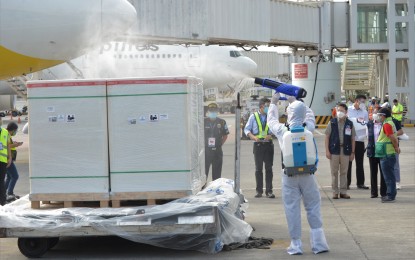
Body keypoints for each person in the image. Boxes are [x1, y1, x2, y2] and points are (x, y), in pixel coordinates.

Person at [267, 93, 329, 255]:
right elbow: (309, 114)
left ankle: (296, 245)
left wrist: (273, 104)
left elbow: (271, 121)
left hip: (289, 175)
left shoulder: (282, 130)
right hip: (308, 174)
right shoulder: (308, 127)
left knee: (292, 209)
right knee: (313, 207)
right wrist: (296, 101)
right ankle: (319, 244)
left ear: (288, 114)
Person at [244, 97, 275, 198]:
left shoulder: (271, 116)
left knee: (269, 169)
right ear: (262, 106)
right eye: (267, 106)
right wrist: (253, 137)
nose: (269, 108)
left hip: (268, 145)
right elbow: (247, 129)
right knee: (258, 169)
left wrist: (271, 135)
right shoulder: (253, 116)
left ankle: (269, 191)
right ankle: (259, 191)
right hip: (258, 145)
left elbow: (276, 129)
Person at [325, 103, 355, 199]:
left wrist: (352, 152)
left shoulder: (349, 124)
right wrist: (327, 151)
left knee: (344, 172)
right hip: (334, 150)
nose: (339, 112)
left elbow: (353, 139)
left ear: (346, 112)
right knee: (334, 172)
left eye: (342, 110)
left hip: (345, 150)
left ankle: (343, 191)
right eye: (338, 110)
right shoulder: (332, 122)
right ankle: (335, 192)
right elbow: (327, 137)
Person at [375, 107, 400, 203]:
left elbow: (392, 137)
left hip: (387, 154)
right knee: (390, 175)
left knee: (389, 176)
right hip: (387, 153)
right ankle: (390, 194)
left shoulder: (386, 124)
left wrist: (396, 147)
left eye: (380, 115)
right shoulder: (390, 123)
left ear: (384, 116)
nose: (379, 117)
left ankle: (390, 195)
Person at [347, 94, 369, 189]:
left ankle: (360, 183)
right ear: (356, 101)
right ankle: (346, 183)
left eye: (364, 102)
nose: (362, 103)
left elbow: (367, 125)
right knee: (348, 162)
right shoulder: (348, 109)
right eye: (361, 101)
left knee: (360, 162)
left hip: (360, 140)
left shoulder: (364, 112)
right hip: (349, 139)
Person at [204, 103, 229, 181]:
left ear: (217, 111)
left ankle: (215, 190)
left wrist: (220, 144)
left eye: (214, 110)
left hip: (217, 150)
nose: (213, 112)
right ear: (208, 111)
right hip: (206, 150)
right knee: (204, 174)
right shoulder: (203, 122)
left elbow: (225, 135)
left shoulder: (222, 122)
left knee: (217, 174)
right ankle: (202, 189)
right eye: (211, 111)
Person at [366, 108, 387, 198]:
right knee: (373, 173)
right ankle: (374, 192)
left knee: (383, 173)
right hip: (372, 151)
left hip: (382, 151)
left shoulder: (385, 124)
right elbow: (368, 137)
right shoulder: (369, 124)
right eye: (374, 113)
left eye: (377, 113)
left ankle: (384, 192)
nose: (375, 114)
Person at [5, 122, 23, 201]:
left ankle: (4, 193)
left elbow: (8, 144)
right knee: (15, 176)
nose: (15, 132)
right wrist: (15, 145)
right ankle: (10, 193)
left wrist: (14, 143)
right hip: (7, 158)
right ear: (12, 130)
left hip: (7, 158)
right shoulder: (6, 134)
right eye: (15, 130)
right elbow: (7, 145)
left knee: (9, 177)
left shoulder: (7, 135)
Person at [0, 118, 12, 206]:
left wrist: (10, 157)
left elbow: (8, 145)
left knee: (1, 181)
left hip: (2, 160)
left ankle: (2, 201)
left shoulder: (5, 132)